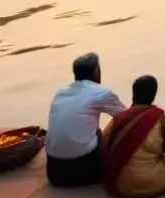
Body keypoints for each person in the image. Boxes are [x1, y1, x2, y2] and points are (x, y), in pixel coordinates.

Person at [45, 53, 126, 187]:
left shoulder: (60, 92)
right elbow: (128, 117)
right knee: (111, 126)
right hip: (87, 171)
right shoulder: (102, 92)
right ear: (96, 71)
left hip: (55, 173)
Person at [102, 75, 165, 198]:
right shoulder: (159, 118)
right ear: (153, 95)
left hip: (120, 185)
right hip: (151, 184)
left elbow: (103, 145)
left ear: (133, 93)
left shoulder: (119, 119)